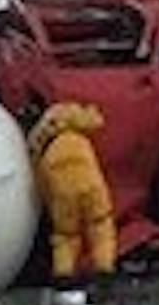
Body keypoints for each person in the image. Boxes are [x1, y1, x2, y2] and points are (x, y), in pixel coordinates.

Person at [28, 102, 117, 286]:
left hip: (63, 195)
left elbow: (43, 186)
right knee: (100, 225)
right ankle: (104, 268)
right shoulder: (80, 140)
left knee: (66, 235)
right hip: (92, 188)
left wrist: (48, 203)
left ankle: (63, 273)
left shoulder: (46, 152)